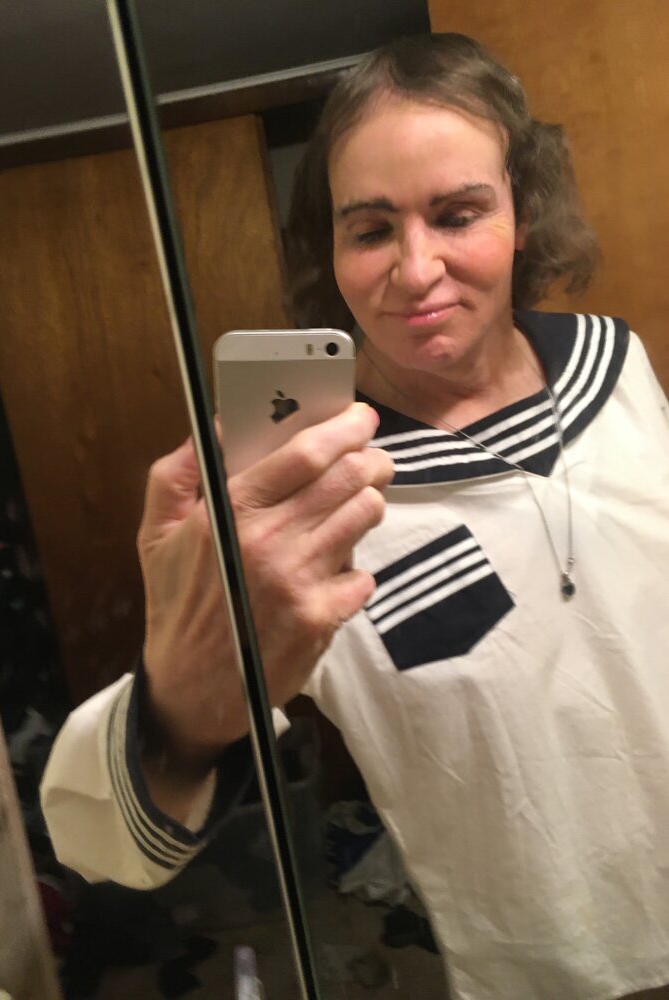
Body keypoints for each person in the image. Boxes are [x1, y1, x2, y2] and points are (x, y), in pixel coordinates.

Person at [41, 33, 669, 1000]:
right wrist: (181, 707)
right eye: (371, 230)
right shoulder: (304, 481)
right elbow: (105, 847)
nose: (416, 271)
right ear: (328, 252)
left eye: (458, 214)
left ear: (523, 212)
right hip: (554, 966)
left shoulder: (615, 362)